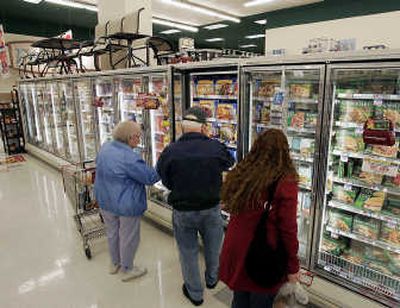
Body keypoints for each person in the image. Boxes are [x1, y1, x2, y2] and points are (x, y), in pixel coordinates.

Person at [156, 107, 235, 306]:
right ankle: (212, 279)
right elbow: (229, 162)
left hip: (183, 210)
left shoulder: (171, 150)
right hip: (211, 208)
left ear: (182, 128)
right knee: (214, 247)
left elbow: (163, 177)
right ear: (203, 128)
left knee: (188, 252)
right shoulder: (214, 147)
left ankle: (195, 293)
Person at [219, 129, 300, 308]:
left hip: (236, 248)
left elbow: (227, 204)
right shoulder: (285, 183)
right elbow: (288, 229)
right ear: (284, 153)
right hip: (263, 256)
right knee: (261, 301)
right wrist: (293, 266)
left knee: (240, 299)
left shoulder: (244, 173)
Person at [94, 121, 159, 282]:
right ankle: (127, 268)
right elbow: (150, 177)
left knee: (112, 232)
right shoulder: (129, 157)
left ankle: (115, 263)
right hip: (125, 203)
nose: (139, 139)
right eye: (137, 136)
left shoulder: (106, 147)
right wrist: (164, 165)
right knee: (128, 236)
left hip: (105, 199)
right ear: (130, 138)